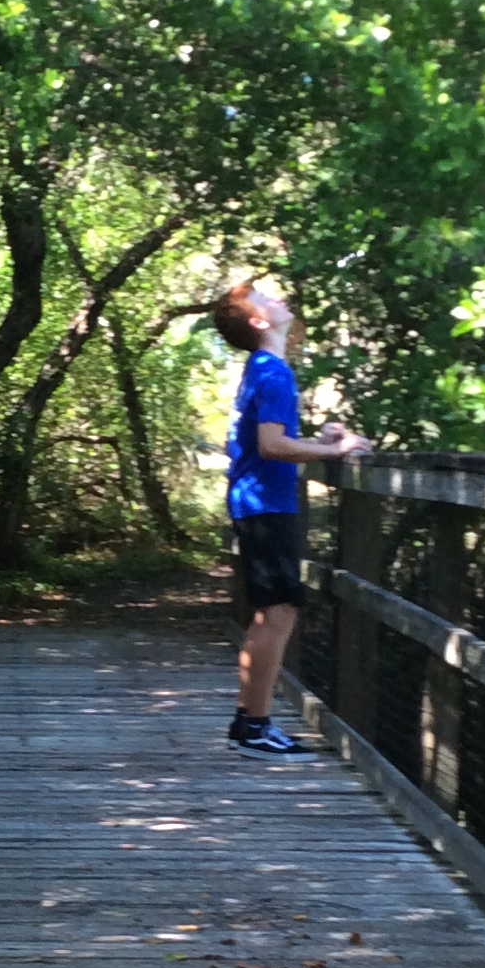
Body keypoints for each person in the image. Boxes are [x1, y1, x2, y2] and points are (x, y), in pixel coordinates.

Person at [211, 278, 372, 756]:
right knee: (277, 615)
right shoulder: (274, 371)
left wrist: (323, 443)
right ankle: (253, 726)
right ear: (259, 322)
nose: (279, 300)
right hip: (265, 503)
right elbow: (272, 445)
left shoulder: (263, 368)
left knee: (272, 614)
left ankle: (250, 722)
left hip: (257, 500)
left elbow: (266, 441)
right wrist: (339, 449)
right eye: (267, 300)